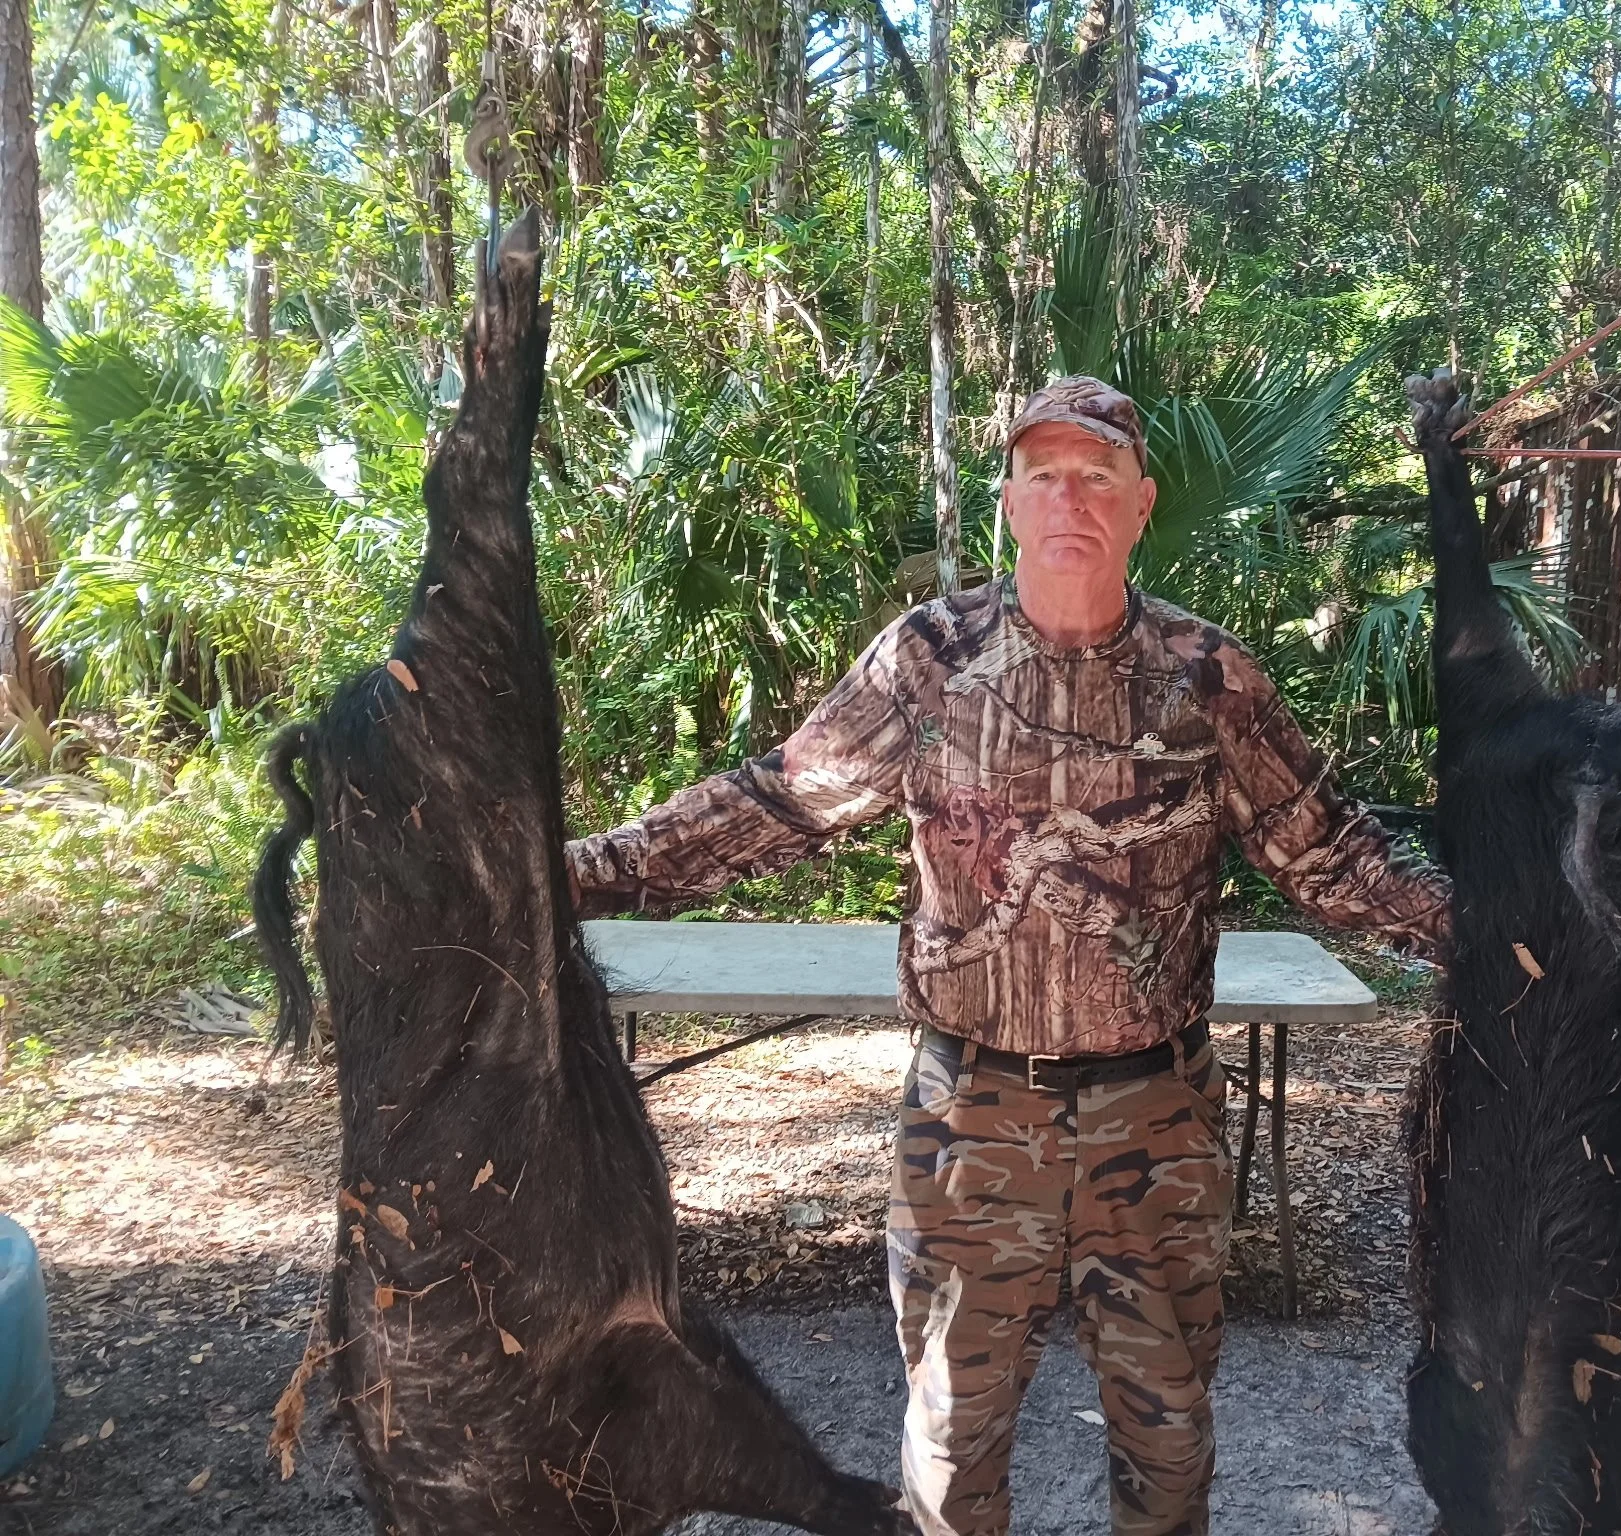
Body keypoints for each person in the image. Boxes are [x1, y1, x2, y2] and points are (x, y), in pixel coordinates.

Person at [565, 376, 1449, 1536]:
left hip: (1155, 1118)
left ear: (1139, 502)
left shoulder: (1208, 678)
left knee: (1168, 1438)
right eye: (1044, 475)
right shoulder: (928, 663)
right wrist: (566, 875)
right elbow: (777, 803)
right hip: (972, 1118)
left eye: (1096, 475)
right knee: (950, 1441)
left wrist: (1491, 926)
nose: (1069, 498)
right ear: (1010, 503)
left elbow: (1327, 850)